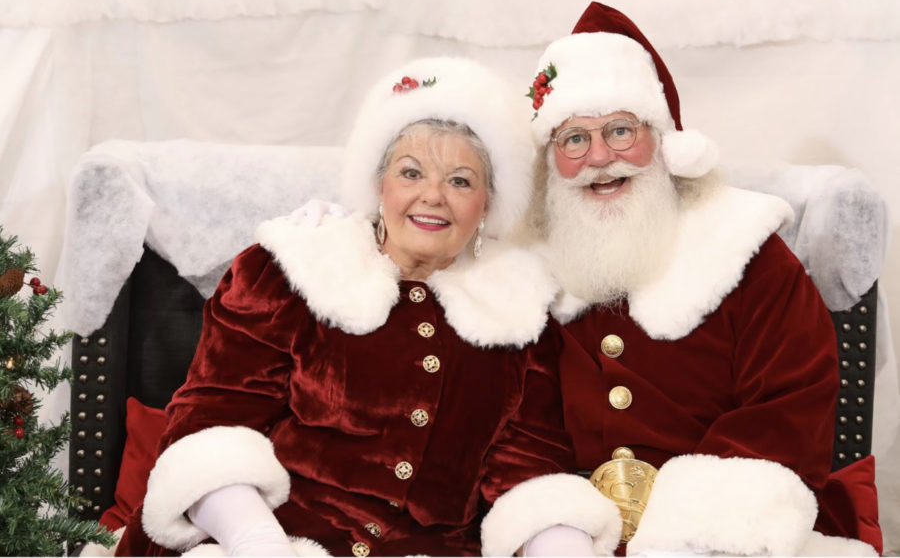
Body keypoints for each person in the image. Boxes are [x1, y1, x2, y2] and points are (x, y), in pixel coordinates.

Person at [112, 57, 623, 557]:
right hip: (264, 535)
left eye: (461, 181)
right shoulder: (293, 270)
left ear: (487, 205)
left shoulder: (519, 313)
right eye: (411, 172)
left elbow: (529, 469)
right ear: (379, 186)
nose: (433, 196)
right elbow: (208, 429)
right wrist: (258, 543)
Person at [511, 1, 881, 555]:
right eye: (574, 139)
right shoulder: (533, 270)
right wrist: (555, 533)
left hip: (735, 534)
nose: (600, 158)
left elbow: (787, 411)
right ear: (551, 159)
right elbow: (519, 423)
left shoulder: (746, 251)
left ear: (662, 139)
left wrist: (684, 539)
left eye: (619, 130)